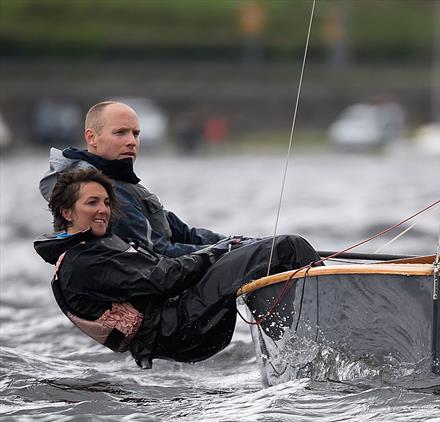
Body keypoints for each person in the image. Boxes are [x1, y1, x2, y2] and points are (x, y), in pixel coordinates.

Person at [34, 167, 321, 369]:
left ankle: (296, 350)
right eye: (92, 202)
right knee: (288, 246)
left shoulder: (90, 250)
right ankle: (318, 347)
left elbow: (166, 266)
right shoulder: (82, 263)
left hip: (177, 322)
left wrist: (228, 248)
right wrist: (220, 251)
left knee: (268, 255)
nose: (103, 210)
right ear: (67, 212)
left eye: (107, 202)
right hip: (180, 328)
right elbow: (164, 278)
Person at [39, 100, 227, 257]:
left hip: (165, 275)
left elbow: (183, 233)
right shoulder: (95, 188)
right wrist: (223, 253)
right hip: (139, 286)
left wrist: (234, 244)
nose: (131, 141)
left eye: (135, 134)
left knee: (248, 252)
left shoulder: (122, 180)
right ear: (92, 137)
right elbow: (154, 253)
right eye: (120, 133)